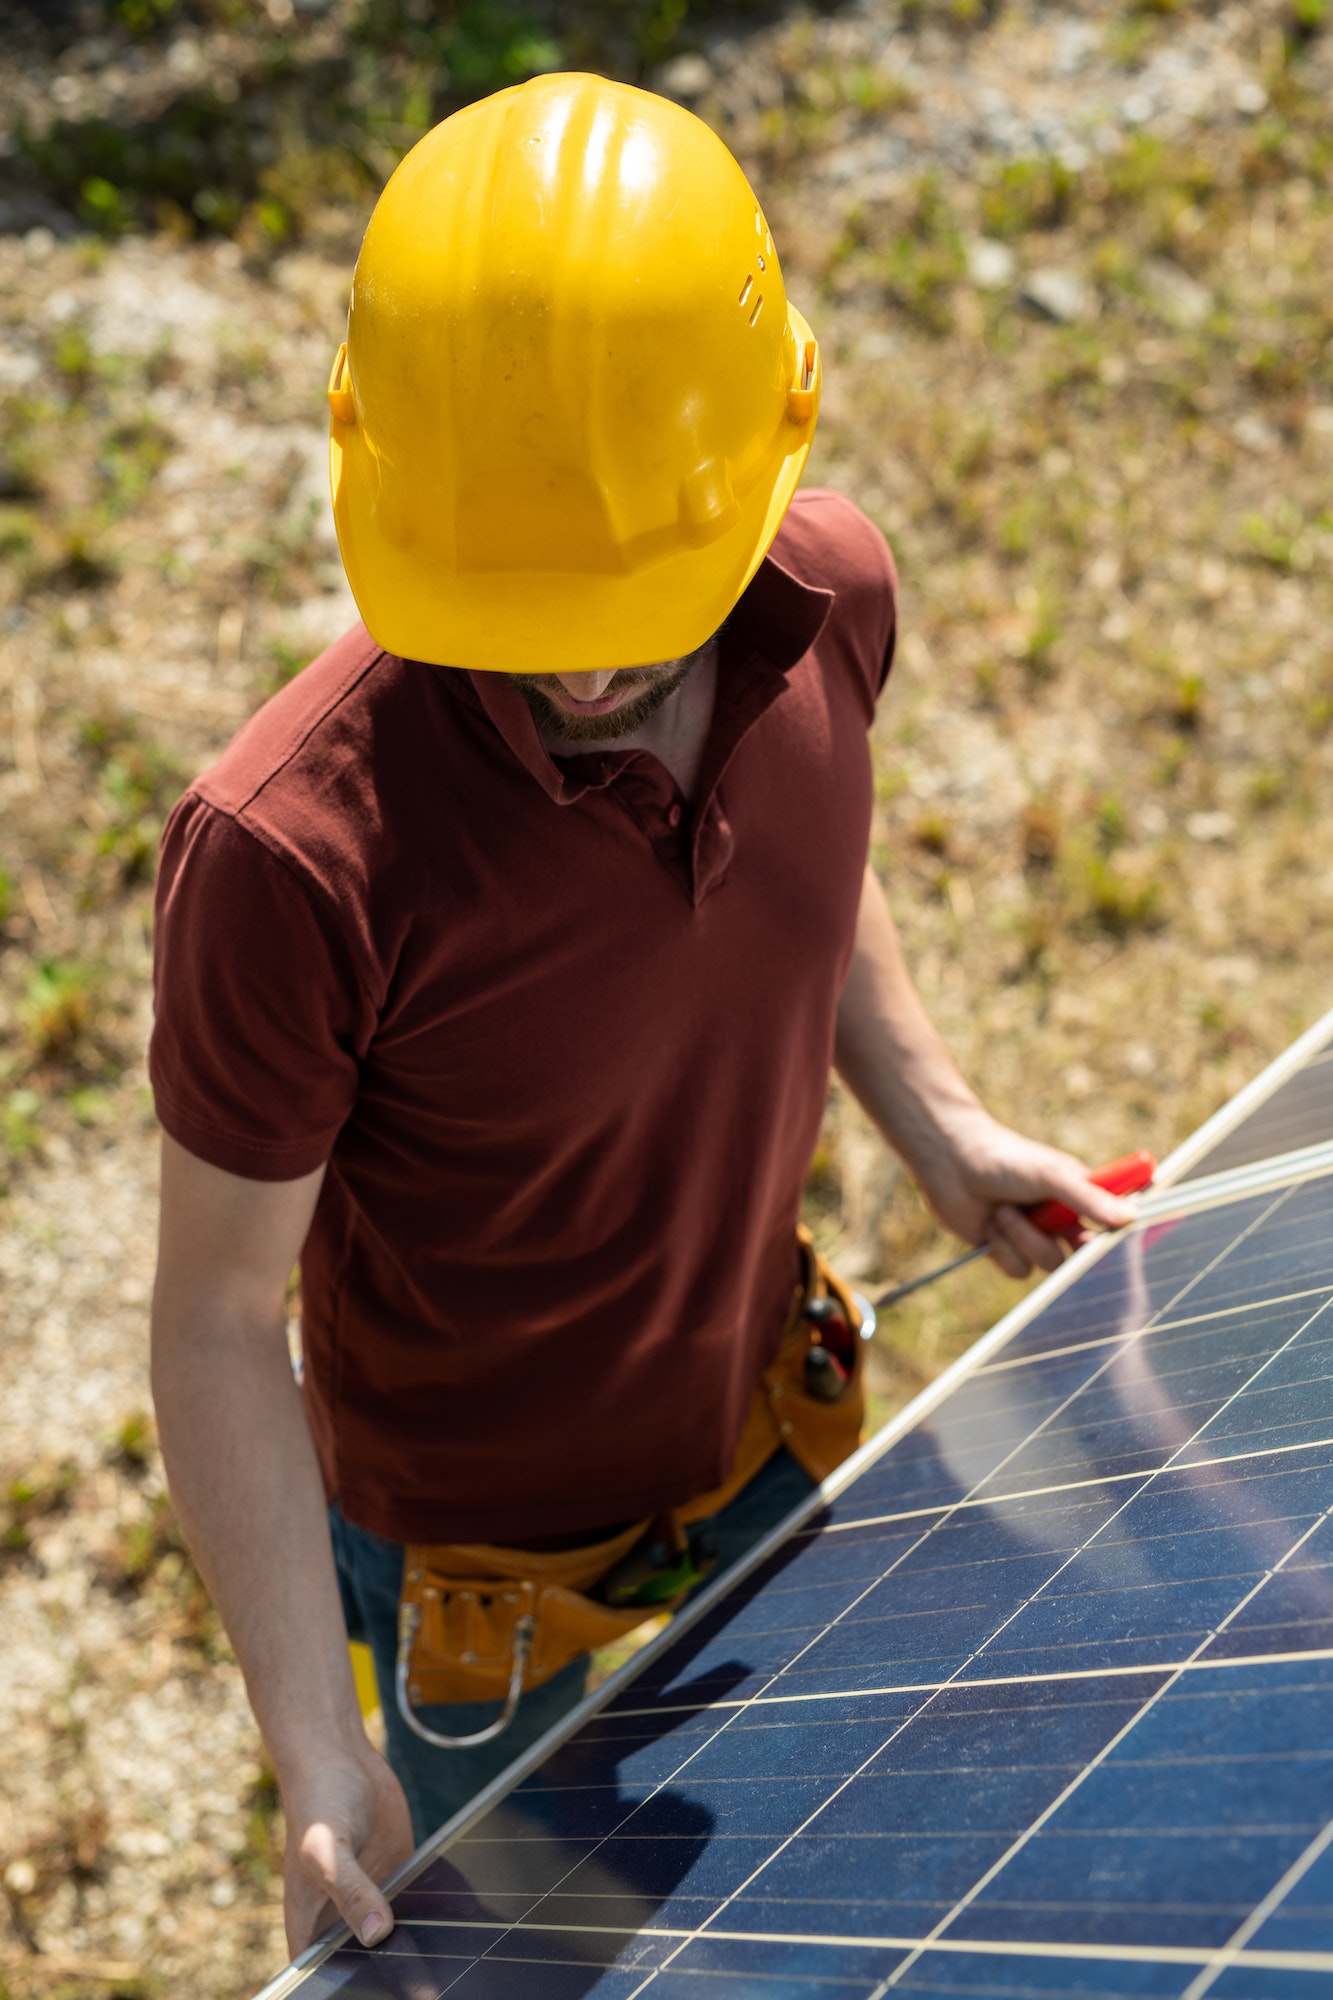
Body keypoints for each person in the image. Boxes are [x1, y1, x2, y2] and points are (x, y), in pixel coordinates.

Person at [147, 73, 1132, 1962]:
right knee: (586, 1964)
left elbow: (806, 859)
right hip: (479, 1591)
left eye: (633, 599)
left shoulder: (827, 596)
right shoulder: (288, 856)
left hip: (762, 1425)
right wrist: (313, 1738)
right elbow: (208, 1324)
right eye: (517, 605)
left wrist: (934, 1120)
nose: (585, 658)